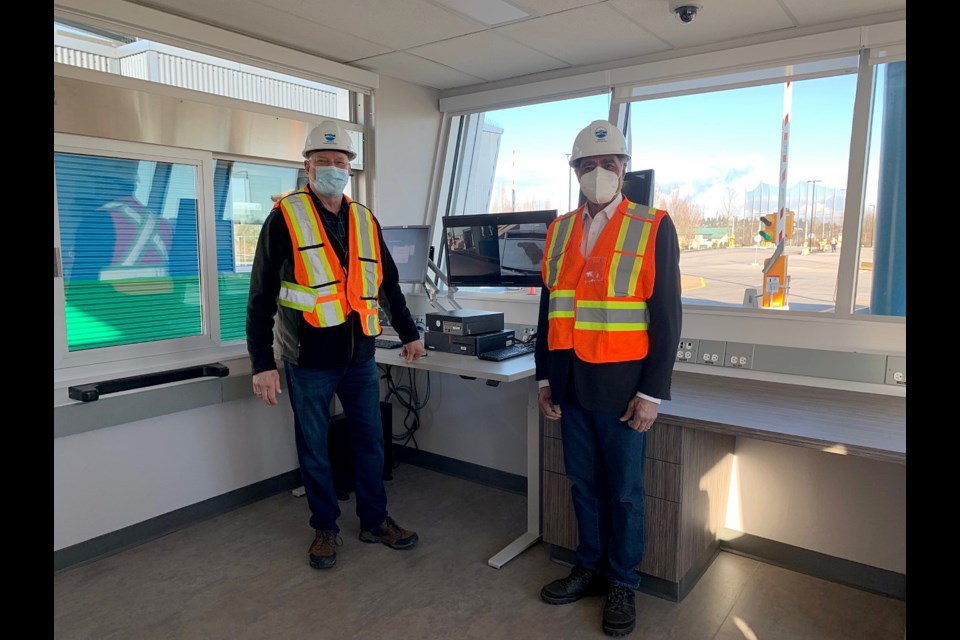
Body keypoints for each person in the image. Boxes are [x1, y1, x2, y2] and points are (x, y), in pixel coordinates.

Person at [246, 120, 426, 570]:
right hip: (308, 358)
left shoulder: (364, 218)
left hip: (360, 356)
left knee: (370, 443)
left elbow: (387, 283)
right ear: (307, 168)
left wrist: (409, 333)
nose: (332, 168)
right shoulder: (284, 217)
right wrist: (262, 364)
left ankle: (374, 520)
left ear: (350, 169)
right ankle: (324, 527)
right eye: (322, 162)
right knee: (315, 447)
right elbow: (260, 296)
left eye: (339, 162)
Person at [534, 120, 682, 637]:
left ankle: (623, 582)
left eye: (608, 164)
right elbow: (549, 312)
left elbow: (666, 316)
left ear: (624, 168)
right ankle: (590, 568)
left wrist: (651, 393)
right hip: (570, 384)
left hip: (623, 391)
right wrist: (543, 380)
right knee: (583, 485)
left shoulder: (653, 225)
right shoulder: (558, 230)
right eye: (587, 165)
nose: (598, 172)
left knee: (623, 492)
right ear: (575, 171)